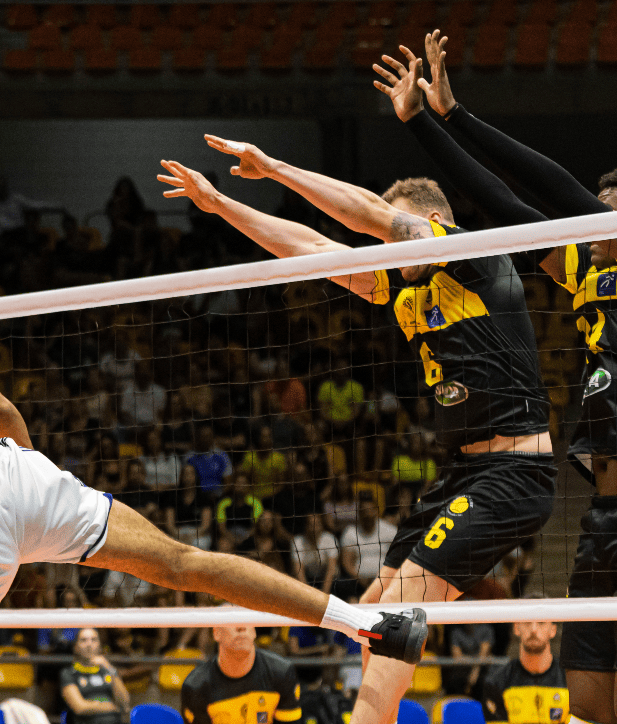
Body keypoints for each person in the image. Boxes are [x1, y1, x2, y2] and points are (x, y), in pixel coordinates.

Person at [0, 262, 427, 724]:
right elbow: (3, 412)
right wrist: (29, 506)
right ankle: (372, 625)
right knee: (183, 562)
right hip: (18, 476)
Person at [160, 127, 554, 724]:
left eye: (389, 233)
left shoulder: (470, 256)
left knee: (402, 606)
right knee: (368, 610)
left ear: (428, 223)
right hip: (463, 471)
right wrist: (220, 205)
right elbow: (309, 247)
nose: (380, 243)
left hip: (515, 468)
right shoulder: (397, 281)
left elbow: (371, 215)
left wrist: (276, 170)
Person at [384, 33, 617, 724]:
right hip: (604, 518)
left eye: (604, 211)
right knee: (588, 708)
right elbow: (505, 209)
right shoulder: (589, 274)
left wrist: (463, 117)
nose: (587, 222)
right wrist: (428, 119)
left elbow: (556, 191)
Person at [181, 621, 301, 724]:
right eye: (232, 621)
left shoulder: (282, 671)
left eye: (246, 620)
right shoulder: (196, 685)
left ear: (254, 631)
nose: (241, 627)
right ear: (216, 633)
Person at [481, 616, 569, 723]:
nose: (533, 629)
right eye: (527, 622)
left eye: (541, 622)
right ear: (517, 628)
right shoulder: (496, 682)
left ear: (553, 630)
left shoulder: (572, 681)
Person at [61, 628, 129, 724]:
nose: (89, 644)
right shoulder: (69, 673)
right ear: (75, 647)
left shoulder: (108, 670)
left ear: (100, 645)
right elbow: (80, 708)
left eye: (94, 640)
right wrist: (112, 706)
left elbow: (124, 702)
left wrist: (110, 668)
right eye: (83, 640)